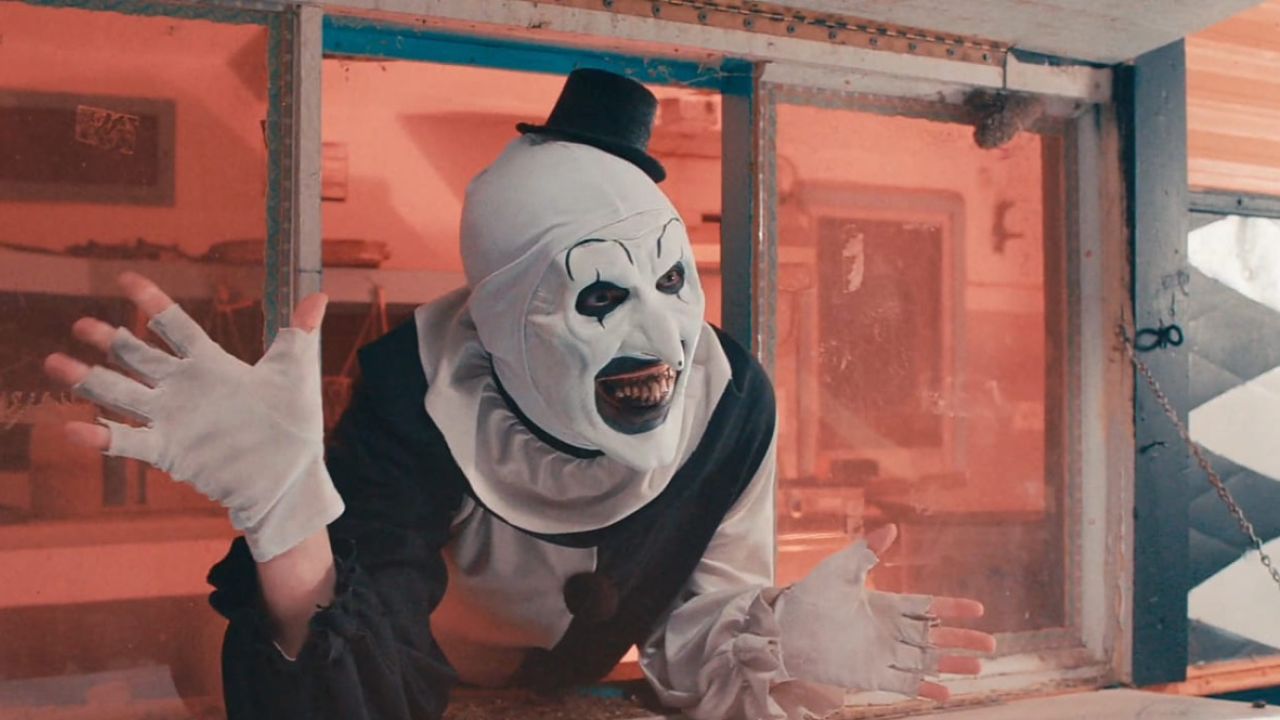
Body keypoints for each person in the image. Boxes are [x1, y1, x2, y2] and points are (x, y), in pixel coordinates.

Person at [43, 69, 995, 719]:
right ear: (495, 324)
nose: (664, 333)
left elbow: (697, 624)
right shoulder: (415, 400)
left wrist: (780, 638)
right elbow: (360, 684)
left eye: (672, 281)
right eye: (600, 297)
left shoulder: (730, 404)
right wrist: (287, 518)